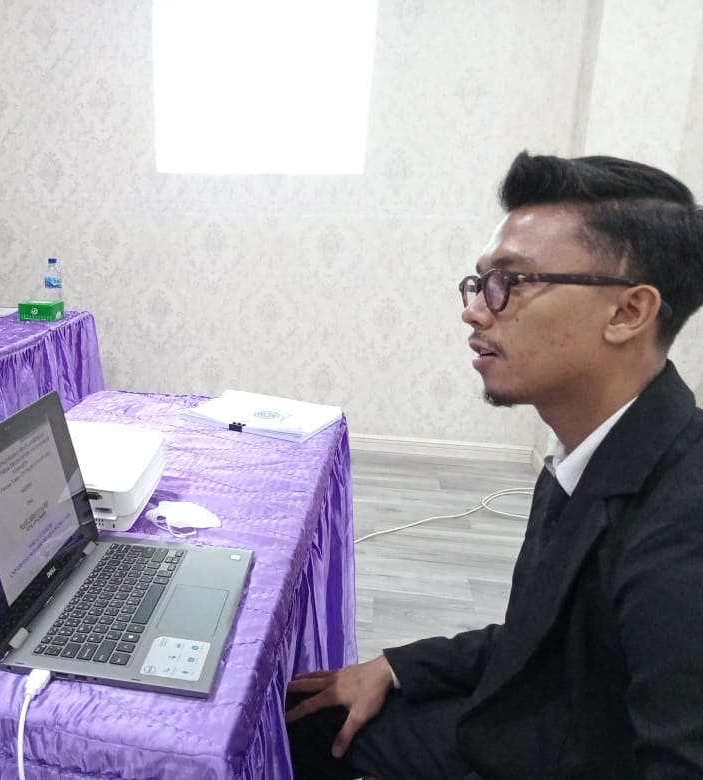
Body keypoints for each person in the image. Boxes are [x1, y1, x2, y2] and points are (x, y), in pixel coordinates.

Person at [286, 152, 703, 779]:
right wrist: (397, 666)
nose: (475, 309)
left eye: (512, 282)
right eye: (479, 283)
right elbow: (542, 639)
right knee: (298, 715)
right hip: (527, 725)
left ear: (627, 312)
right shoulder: (594, 446)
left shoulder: (684, 520)